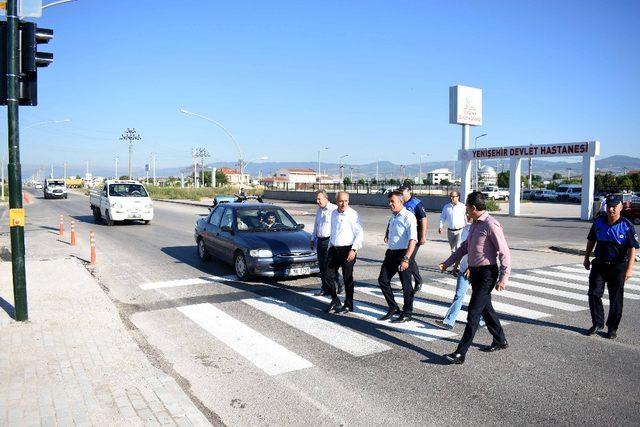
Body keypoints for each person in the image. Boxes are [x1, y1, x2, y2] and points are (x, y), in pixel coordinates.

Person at [438, 191, 511, 365]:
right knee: (486, 309)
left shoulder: (491, 224)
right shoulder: (475, 225)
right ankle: (500, 340)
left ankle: (460, 353)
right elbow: (465, 248)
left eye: (467, 209)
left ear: (473, 207)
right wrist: (447, 263)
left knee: (473, 314)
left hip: (487, 274)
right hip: (475, 273)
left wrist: (503, 277)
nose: (466, 213)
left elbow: (504, 252)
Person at [583, 194, 638, 339]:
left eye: (614, 206)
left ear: (621, 207)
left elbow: (633, 248)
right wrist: (586, 257)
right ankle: (597, 323)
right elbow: (591, 240)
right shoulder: (598, 222)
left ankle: (612, 327)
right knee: (594, 293)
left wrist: (629, 269)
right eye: (609, 206)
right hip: (599, 265)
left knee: (616, 298)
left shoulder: (626, 225)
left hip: (618, 267)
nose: (611, 209)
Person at [435, 216, 485, 330]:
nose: (468, 216)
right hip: (464, 269)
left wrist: (472, 267)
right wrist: (455, 267)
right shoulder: (466, 229)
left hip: (477, 270)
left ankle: (482, 319)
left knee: (479, 296)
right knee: (459, 295)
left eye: (469, 213)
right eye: (467, 214)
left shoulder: (483, 229)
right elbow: (461, 250)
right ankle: (449, 321)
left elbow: (482, 252)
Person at [377, 191, 418, 323]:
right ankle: (393, 307)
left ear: (401, 202)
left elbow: (413, 240)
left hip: (403, 254)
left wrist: (406, 259)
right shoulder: (393, 216)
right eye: (389, 201)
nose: (390, 204)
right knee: (383, 280)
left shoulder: (408, 217)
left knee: (406, 286)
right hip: (391, 253)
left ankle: (407, 313)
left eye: (392, 201)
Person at [325, 191, 364, 314]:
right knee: (327, 275)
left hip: (348, 249)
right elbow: (333, 231)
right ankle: (335, 300)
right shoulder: (333, 214)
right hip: (334, 248)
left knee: (348, 278)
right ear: (337, 202)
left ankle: (349, 304)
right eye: (341, 201)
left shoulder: (353, 214)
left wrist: (354, 249)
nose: (343, 204)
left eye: (346, 201)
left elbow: (359, 233)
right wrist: (329, 247)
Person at [311, 190, 343, 296]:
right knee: (322, 266)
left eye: (319, 199)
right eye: (317, 199)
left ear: (326, 198)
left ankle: (339, 283)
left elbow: (339, 227)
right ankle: (325, 288)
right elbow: (316, 225)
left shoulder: (334, 209)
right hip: (320, 241)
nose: (317, 201)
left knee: (329, 266)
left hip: (330, 241)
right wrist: (312, 238)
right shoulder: (319, 210)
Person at [397, 184, 427, 293]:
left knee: (409, 258)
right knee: (405, 258)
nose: (401, 193)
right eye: (399, 191)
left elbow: (423, 219)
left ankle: (417, 281)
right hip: (404, 234)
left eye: (402, 191)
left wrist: (423, 236)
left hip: (415, 233)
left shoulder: (416, 203)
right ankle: (406, 283)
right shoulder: (400, 202)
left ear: (408, 191)